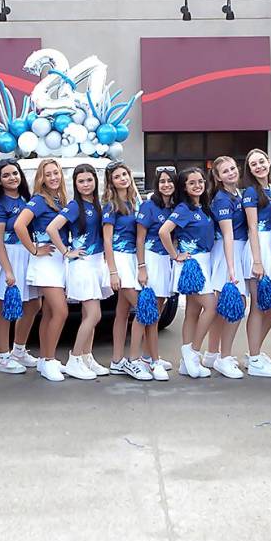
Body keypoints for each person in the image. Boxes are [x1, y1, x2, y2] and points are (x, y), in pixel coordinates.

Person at [47, 163, 113, 380]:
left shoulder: (99, 203)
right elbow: (52, 228)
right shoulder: (75, 205)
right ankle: (74, 359)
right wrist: (66, 251)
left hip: (96, 263)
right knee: (94, 314)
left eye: (89, 180)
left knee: (89, 315)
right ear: (75, 184)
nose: (86, 184)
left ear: (96, 181)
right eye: (81, 181)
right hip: (82, 264)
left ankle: (86, 357)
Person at [158, 167, 218, 380]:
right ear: (184, 187)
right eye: (192, 183)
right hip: (193, 264)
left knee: (193, 311)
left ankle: (186, 361)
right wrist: (175, 255)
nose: (198, 185)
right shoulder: (183, 208)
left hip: (205, 262)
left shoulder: (203, 207)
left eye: (200, 181)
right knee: (211, 306)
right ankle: (192, 352)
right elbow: (164, 231)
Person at [14, 158, 69, 382]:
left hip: (58, 261)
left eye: (56, 173)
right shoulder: (38, 200)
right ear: (41, 178)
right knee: (61, 311)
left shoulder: (61, 199)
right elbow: (19, 225)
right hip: (45, 262)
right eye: (48, 174)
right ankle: (47, 361)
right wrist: (34, 249)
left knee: (48, 312)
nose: (53, 177)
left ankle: (48, 359)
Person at [0, 159, 42, 374]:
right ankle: (3, 357)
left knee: (34, 305)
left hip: (27, 255)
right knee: (3, 308)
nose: (12, 178)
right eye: (6, 175)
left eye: (15, 173)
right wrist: (7, 270)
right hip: (6, 256)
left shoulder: (28, 199)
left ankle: (19, 350)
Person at [102, 161, 151, 380]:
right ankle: (133, 360)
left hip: (134, 257)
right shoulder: (110, 205)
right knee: (143, 308)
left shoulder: (136, 201)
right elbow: (107, 240)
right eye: (117, 176)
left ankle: (116, 361)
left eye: (125, 174)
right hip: (120, 260)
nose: (123, 178)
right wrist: (113, 271)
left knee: (122, 313)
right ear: (111, 182)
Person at [204, 155, 249, 379]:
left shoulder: (236, 194)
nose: (231, 172)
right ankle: (225, 357)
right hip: (227, 252)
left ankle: (212, 353)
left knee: (223, 307)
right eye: (225, 171)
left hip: (235, 251)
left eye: (233, 168)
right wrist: (232, 268)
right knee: (235, 304)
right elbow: (227, 234)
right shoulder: (222, 199)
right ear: (218, 177)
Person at [241, 149, 271, 378]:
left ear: (269, 162)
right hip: (259, 248)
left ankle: (254, 351)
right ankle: (255, 357)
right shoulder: (251, 192)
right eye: (253, 164)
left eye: (261, 162)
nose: (258, 166)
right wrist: (258, 261)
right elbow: (252, 227)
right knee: (258, 306)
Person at [134, 167, 177, 380]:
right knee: (149, 313)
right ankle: (153, 360)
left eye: (170, 181)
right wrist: (142, 267)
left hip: (166, 263)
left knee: (157, 313)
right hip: (151, 260)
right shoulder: (148, 206)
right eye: (162, 181)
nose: (166, 185)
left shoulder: (177, 207)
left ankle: (148, 356)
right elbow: (140, 239)